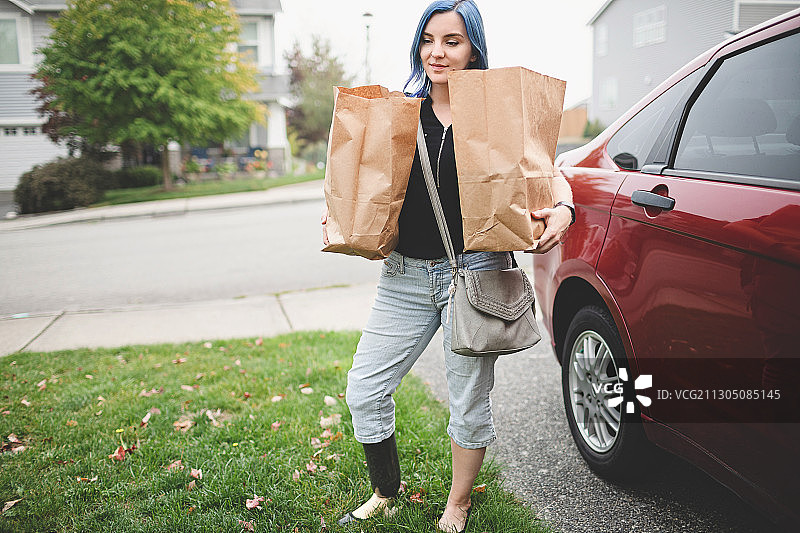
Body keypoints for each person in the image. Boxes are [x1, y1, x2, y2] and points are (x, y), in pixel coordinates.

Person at [321, 1, 574, 531]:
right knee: (364, 388)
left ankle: (457, 502)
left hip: (478, 275)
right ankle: (385, 490)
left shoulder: (502, 112)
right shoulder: (399, 112)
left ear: (474, 48)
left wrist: (565, 207)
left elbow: (549, 170)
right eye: (429, 39)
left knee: (468, 404)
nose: (437, 52)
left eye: (453, 41)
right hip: (405, 278)